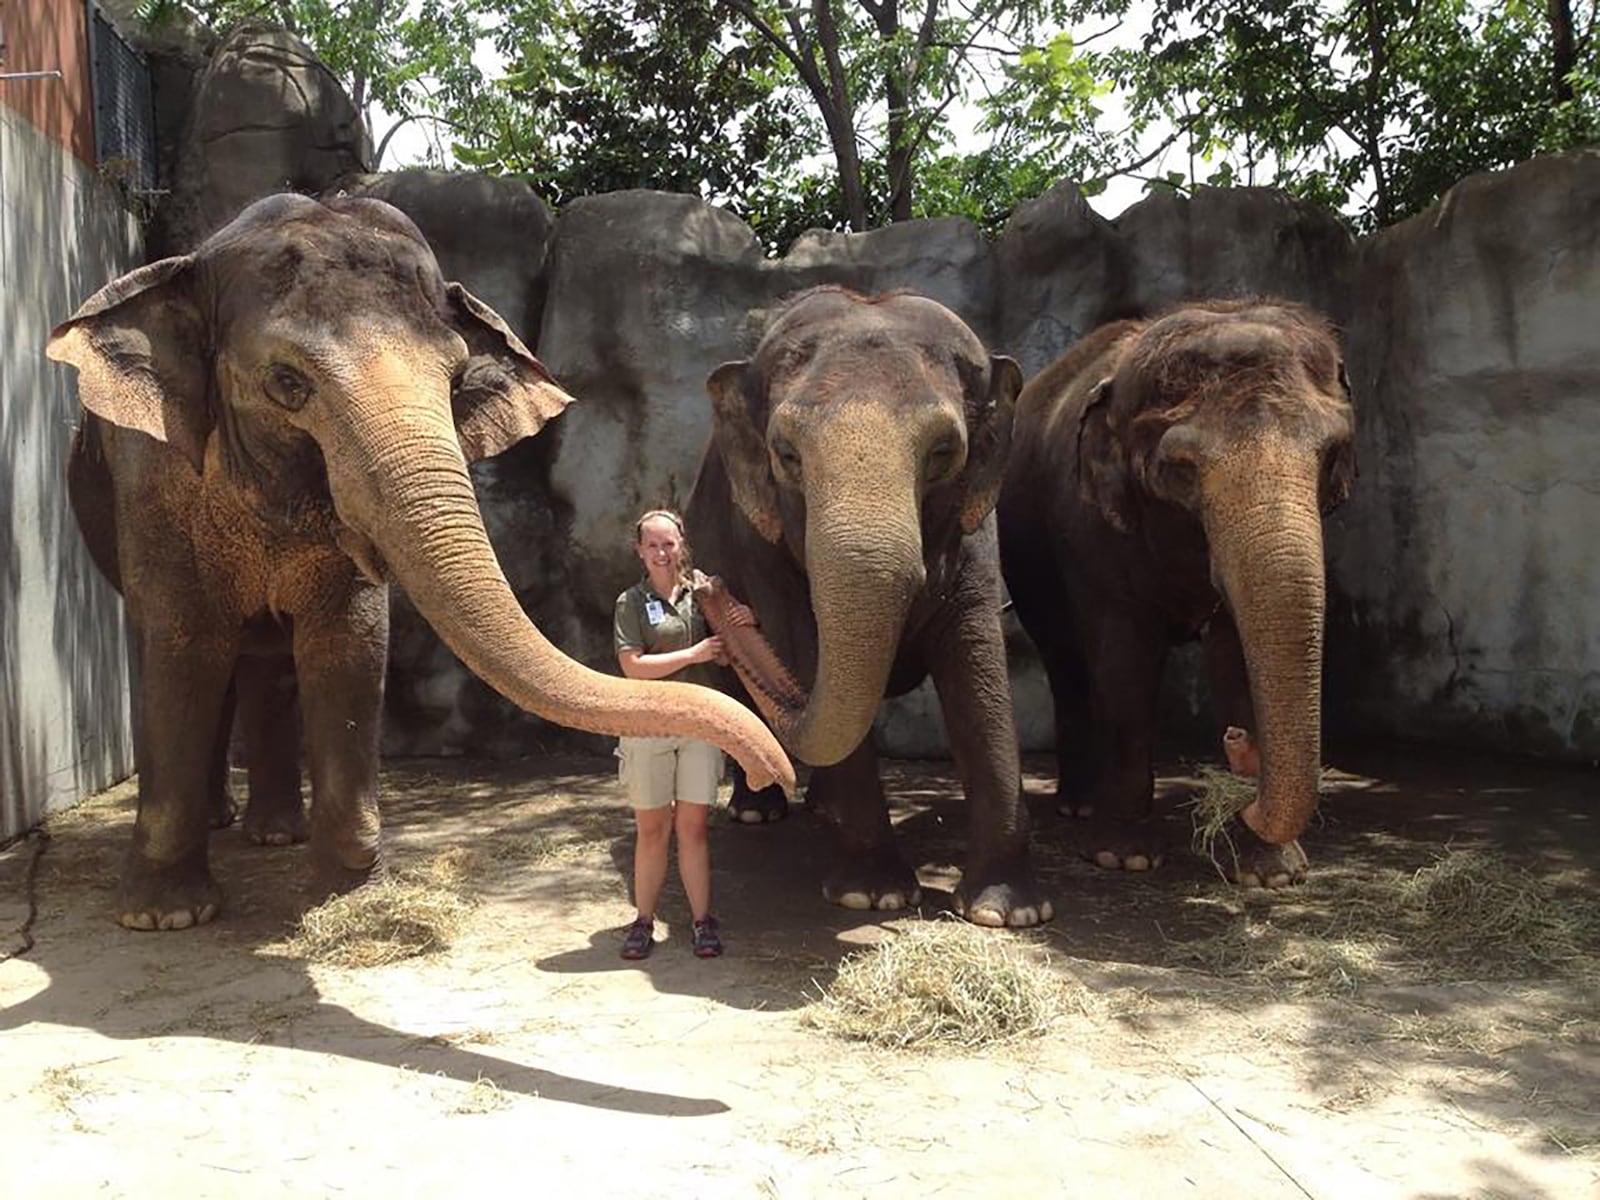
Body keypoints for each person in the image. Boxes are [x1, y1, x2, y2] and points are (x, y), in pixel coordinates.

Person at [612, 508, 755, 960]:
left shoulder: (704, 594)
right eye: (652, 545)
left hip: (699, 727)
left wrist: (741, 622)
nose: (661, 552)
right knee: (652, 831)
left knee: (693, 830)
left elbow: (734, 644)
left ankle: (701, 922)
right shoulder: (630, 602)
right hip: (649, 726)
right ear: (639, 551)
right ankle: (643, 922)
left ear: (681, 544)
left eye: (668, 543)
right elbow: (633, 667)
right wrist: (693, 653)